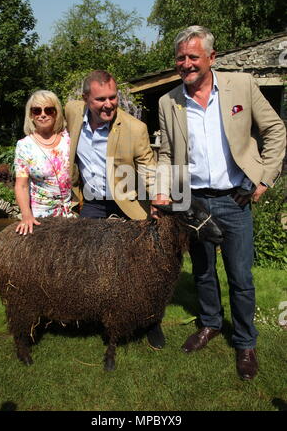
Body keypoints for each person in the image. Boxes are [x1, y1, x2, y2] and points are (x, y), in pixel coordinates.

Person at [155, 25, 286, 380]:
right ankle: (210, 323)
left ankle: (245, 341)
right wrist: (162, 187)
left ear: (211, 58)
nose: (186, 64)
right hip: (193, 201)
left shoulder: (241, 86)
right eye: (180, 57)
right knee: (202, 270)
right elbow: (166, 153)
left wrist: (263, 179)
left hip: (234, 198)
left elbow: (276, 130)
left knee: (241, 276)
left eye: (193, 56)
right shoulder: (168, 102)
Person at [65, 69, 164, 348]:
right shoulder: (71, 113)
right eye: (100, 99)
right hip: (93, 201)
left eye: (113, 97)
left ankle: (151, 320)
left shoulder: (135, 128)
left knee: (143, 266)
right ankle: (100, 314)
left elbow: (149, 166)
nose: (108, 104)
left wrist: (159, 195)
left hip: (127, 202)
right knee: (89, 259)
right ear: (86, 99)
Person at [14, 90, 73, 235]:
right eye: (36, 110)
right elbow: (21, 185)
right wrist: (26, 215)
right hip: (41, 217)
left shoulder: (69, 138)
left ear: (56, 112)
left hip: (72, 212)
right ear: (31, 115)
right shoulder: (24, 146)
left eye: (48, 110)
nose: (42, 114)